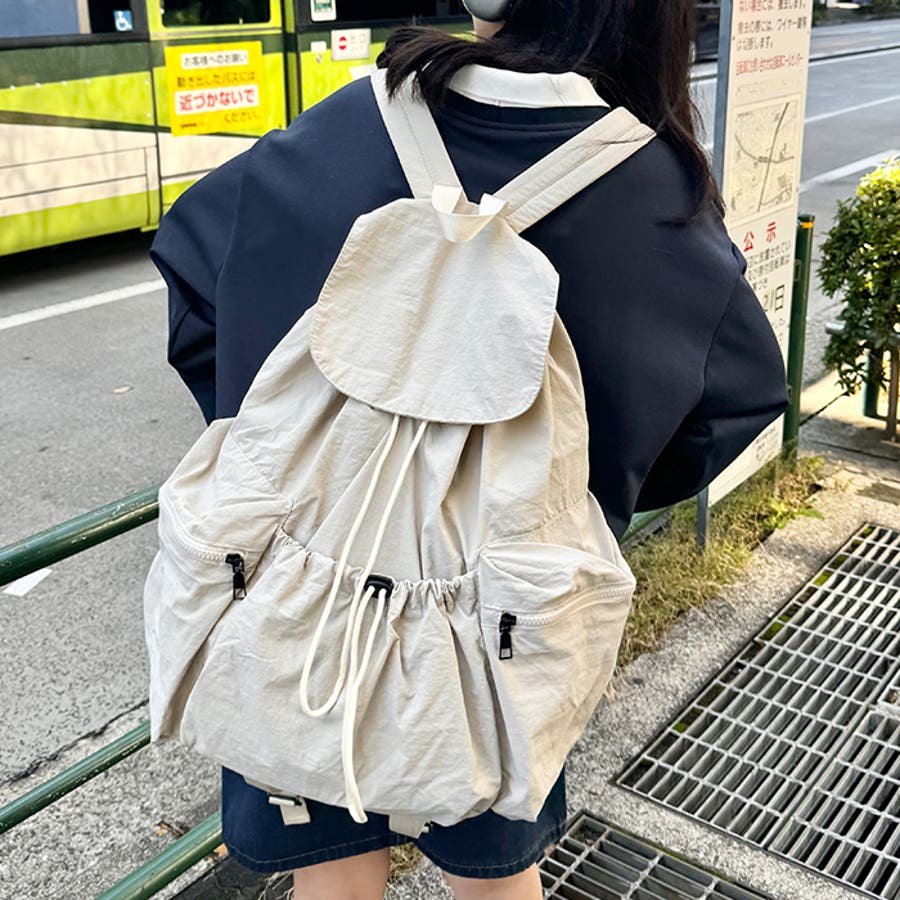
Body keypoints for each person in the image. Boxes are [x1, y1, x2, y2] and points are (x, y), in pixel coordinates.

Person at [150, 2, 789, 898]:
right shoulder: (654, 190)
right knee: (497, 874)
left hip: (296, 593)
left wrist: (286, 447)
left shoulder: (343, 128)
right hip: (505, 617)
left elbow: (195, 281)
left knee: (328, 871)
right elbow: (737, 400)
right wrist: (588, 489)